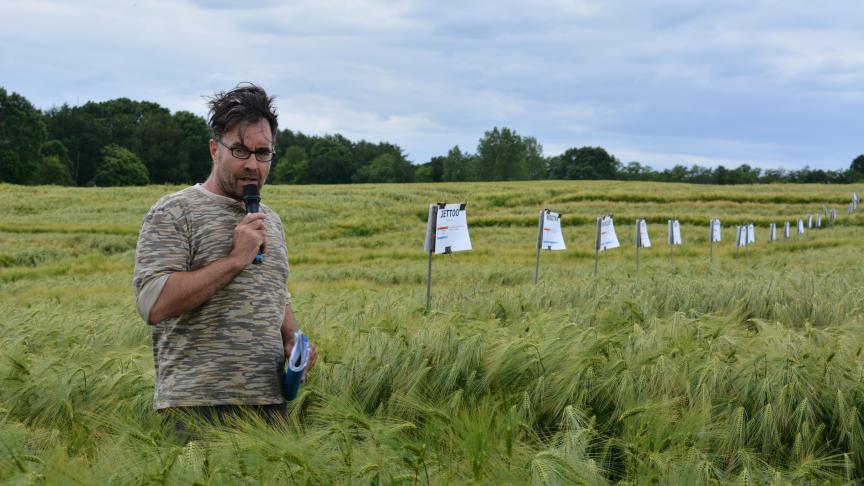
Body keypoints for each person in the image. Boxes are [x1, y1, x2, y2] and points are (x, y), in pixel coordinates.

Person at [133, 83, 316, 428]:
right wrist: (234, 261)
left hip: (269, 409)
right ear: (215, 149)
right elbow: (153, 304)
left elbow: (275, 292)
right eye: (241, 151)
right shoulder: (174, 212)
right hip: (197, 409)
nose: (253, 165)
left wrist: (293, 340)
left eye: (263, 153)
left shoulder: (271, 220)